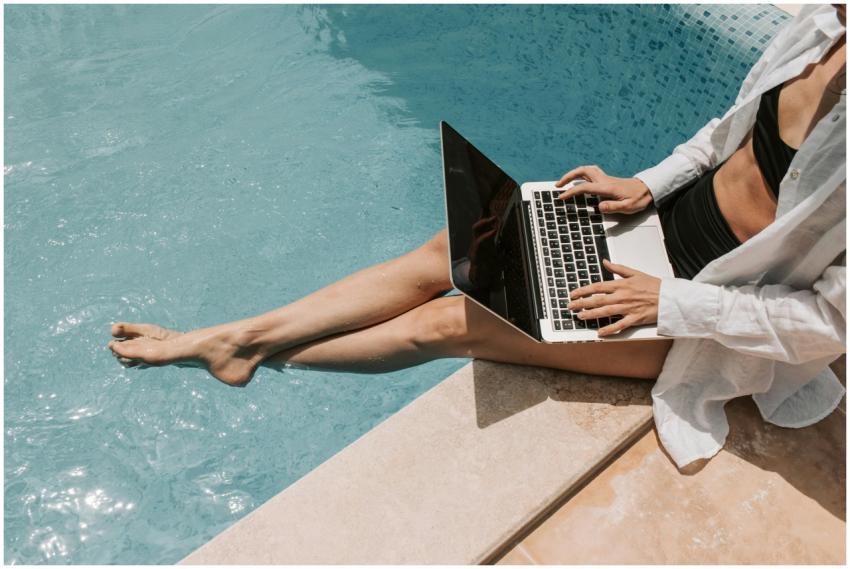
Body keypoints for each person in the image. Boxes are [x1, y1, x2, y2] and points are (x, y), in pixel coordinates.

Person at [108, 5, 846, 468]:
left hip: (699, 316)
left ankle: (237, 350)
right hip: (653, 227)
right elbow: (729, 130)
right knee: (451, 247)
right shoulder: (821, 26)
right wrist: (648, 184)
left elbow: (831, 322)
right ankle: (234, 340)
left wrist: (669, 304)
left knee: (452, 319)